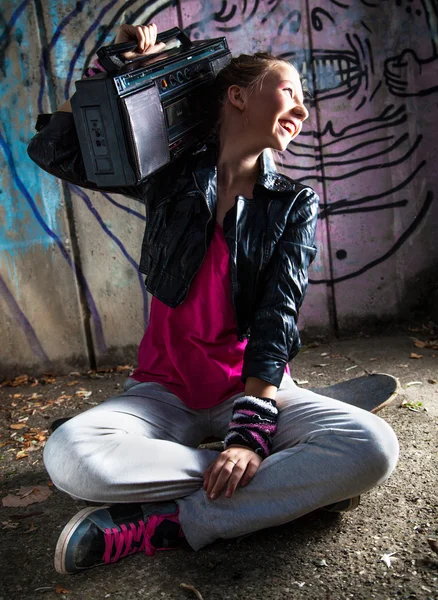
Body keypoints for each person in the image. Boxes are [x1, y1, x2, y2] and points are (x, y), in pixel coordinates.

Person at [27, 24, 399, 575]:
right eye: (290, 90)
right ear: (239, 94)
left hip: (246, 390)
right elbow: (54, 146)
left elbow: (279, 314)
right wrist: (116, 72)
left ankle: (174, 522)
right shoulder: (170, 174)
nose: (302, 108)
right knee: (70, 459)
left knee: (374, 447)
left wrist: (249, 433)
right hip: (163, 392)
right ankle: (287, 478)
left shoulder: (293, 203)